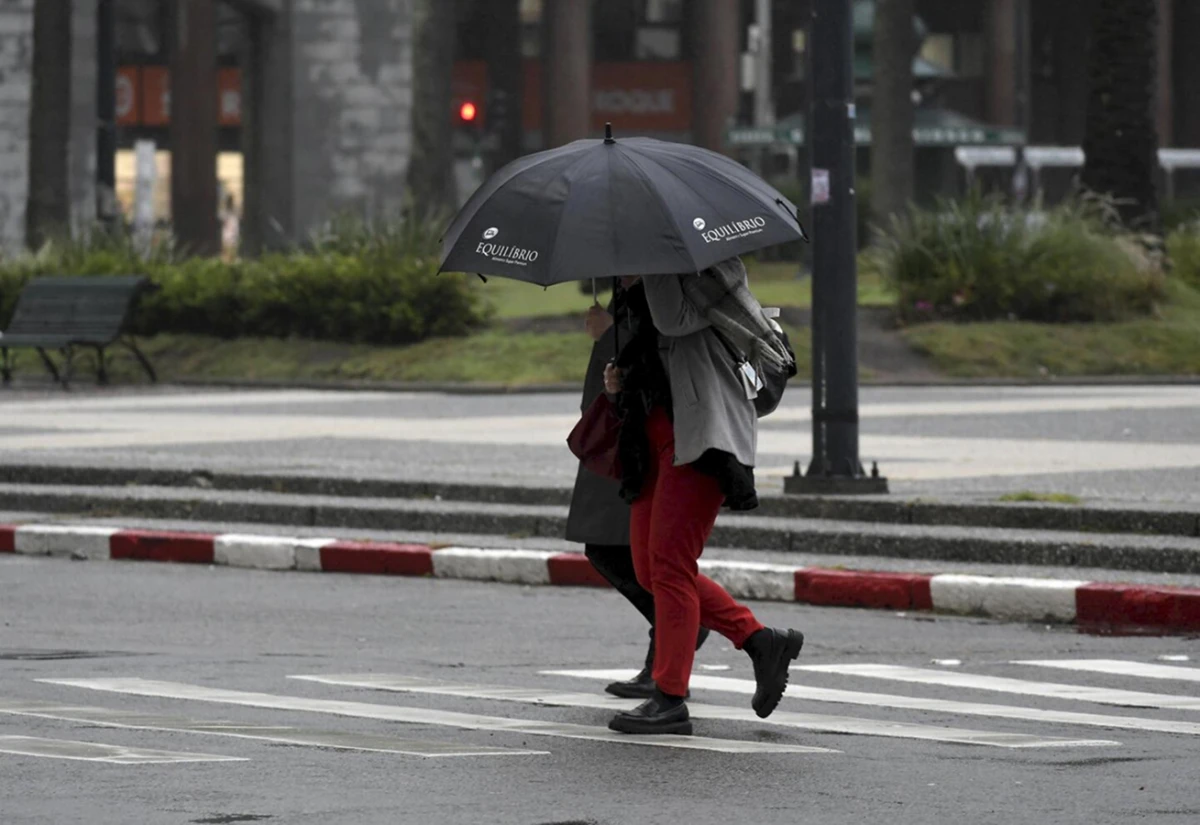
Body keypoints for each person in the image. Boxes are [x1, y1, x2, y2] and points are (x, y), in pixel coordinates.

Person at [602, 259, 804, 736]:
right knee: (650, 569)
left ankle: (669, 696)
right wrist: (622, 378)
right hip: (654, 442)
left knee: (670, 566)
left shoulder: (698, 269)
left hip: (702, 439)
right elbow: (662, 358)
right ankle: (760, 641)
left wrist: (646, 268)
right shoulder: (647, 289)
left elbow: (676, 322)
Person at [564, 280, 709, 699]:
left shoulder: (660, 282)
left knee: (641, 555)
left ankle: (671, 649)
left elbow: (660, 347)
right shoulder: (625, 284)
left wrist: (610, 332)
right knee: (610, 548)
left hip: (642, 436)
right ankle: (677, 637)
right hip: (613, 429)